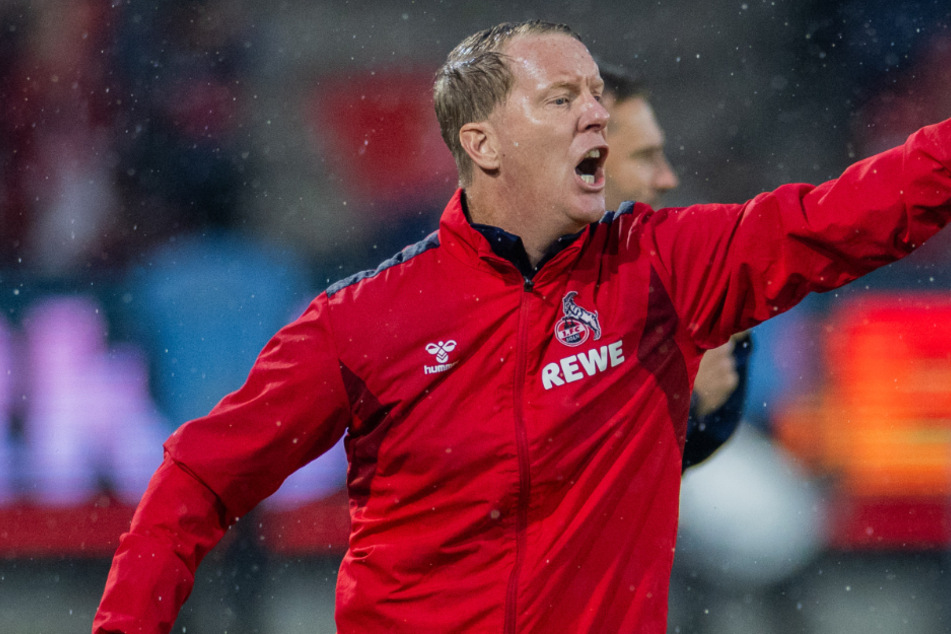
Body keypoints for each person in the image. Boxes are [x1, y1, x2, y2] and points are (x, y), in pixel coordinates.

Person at [93, 20, 951, 633]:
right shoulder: (361, 323)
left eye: (595, 97)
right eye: (562, 98)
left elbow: (842, 218)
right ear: (484, 143)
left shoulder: (664, 267)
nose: (596, 117)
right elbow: (198, 481)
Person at [599, 62, 751, 470]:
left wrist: (703, 402)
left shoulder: (658, 275)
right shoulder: (503, 289)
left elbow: (684, 456)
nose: (668, 178)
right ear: (584, 163)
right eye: (645, 157)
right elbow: (559, 484)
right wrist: (684, 398)